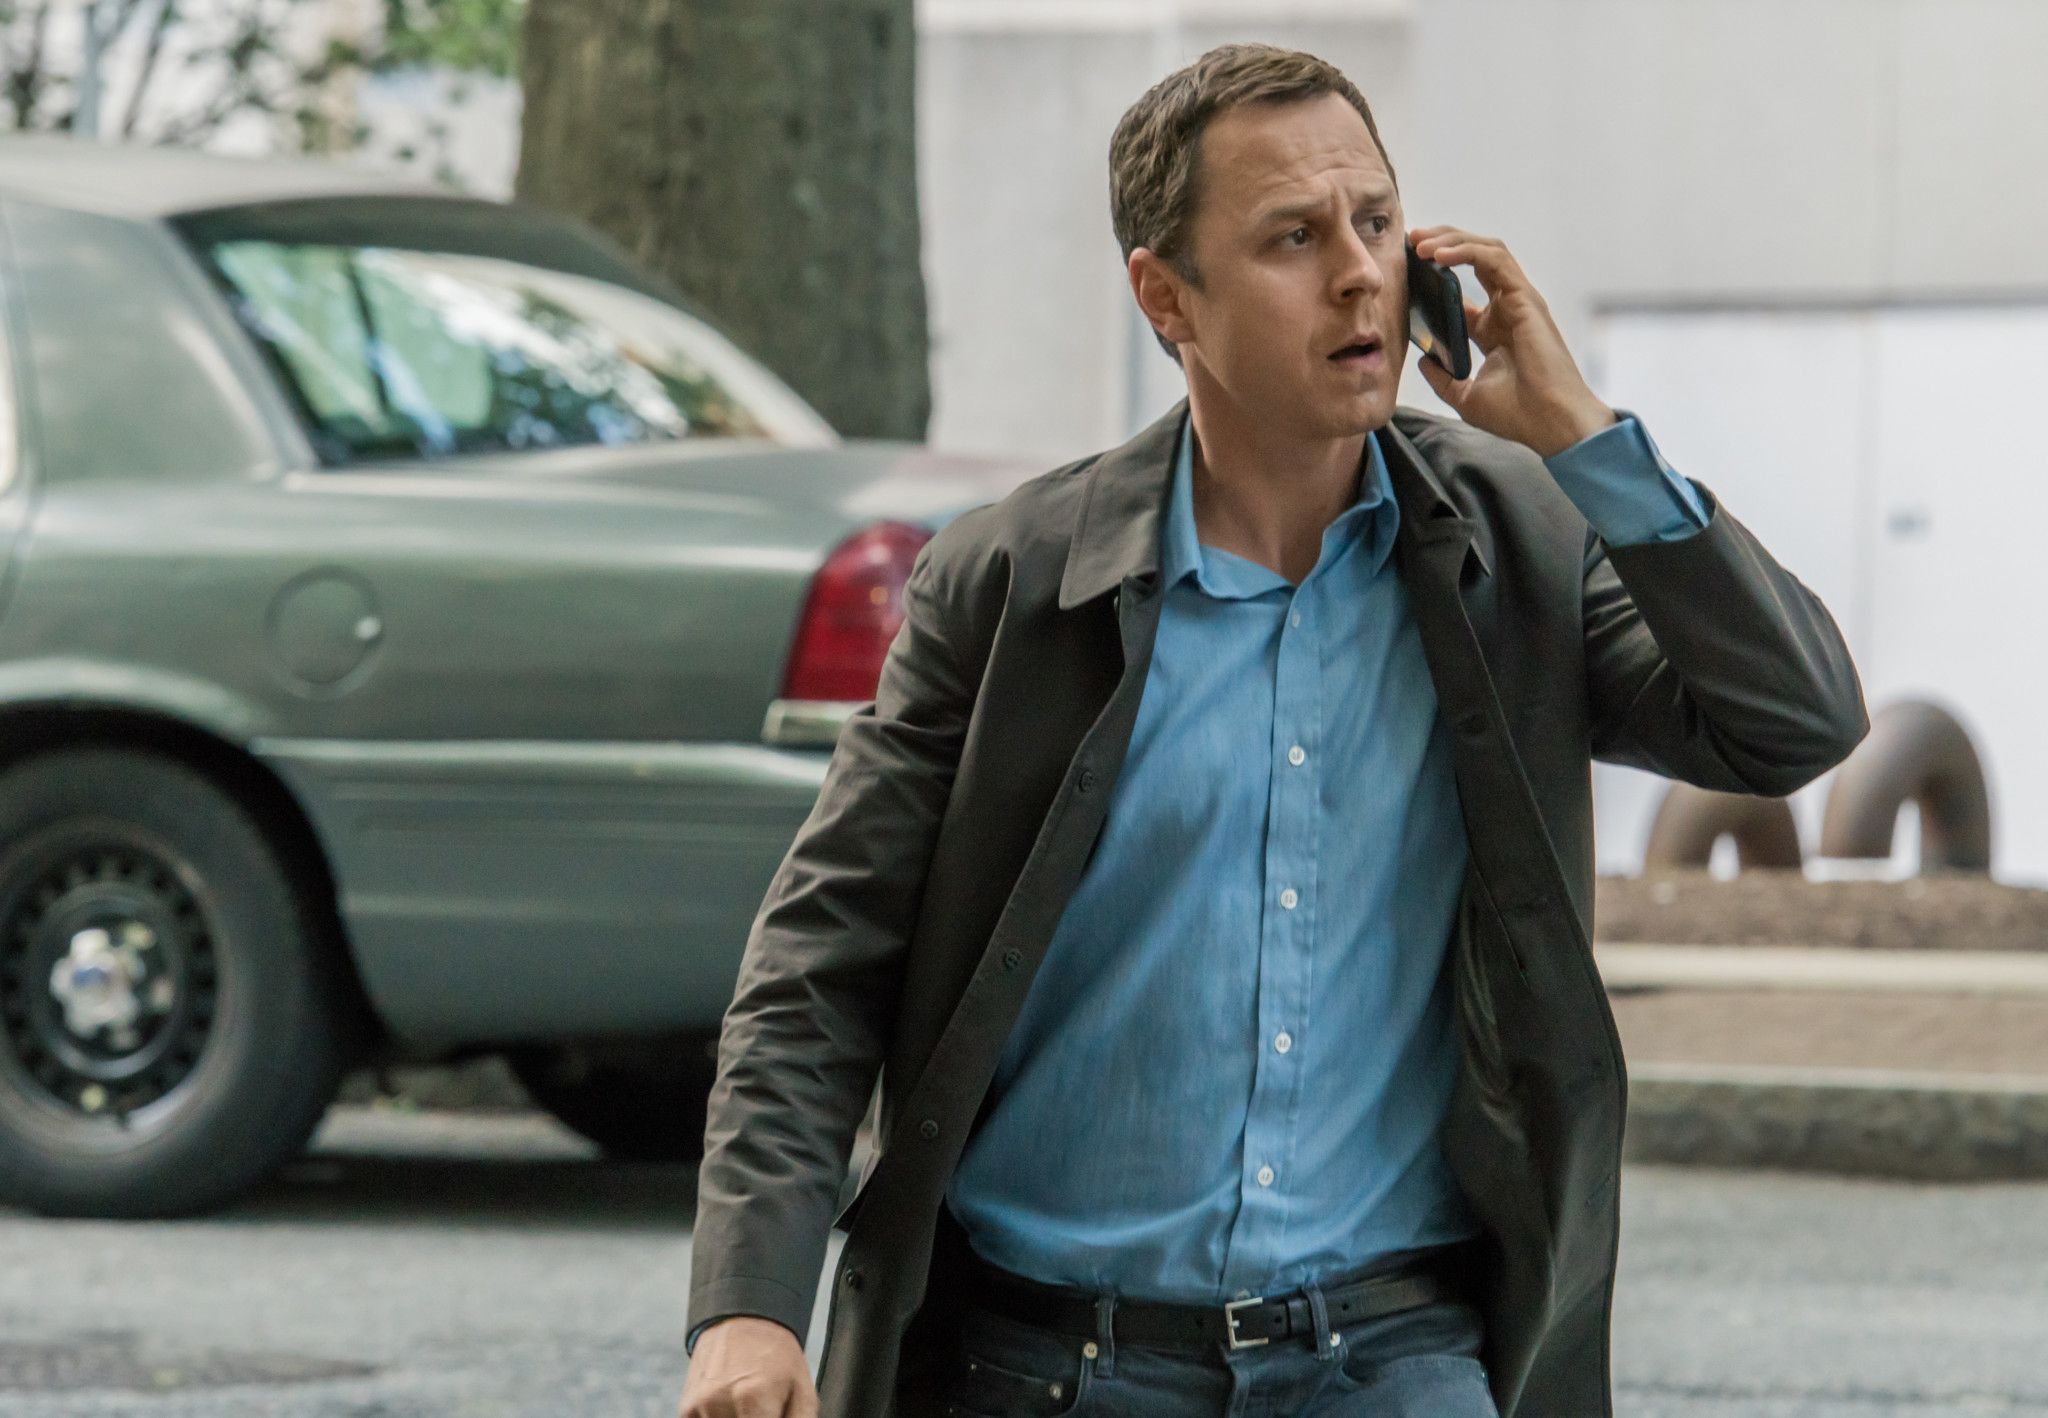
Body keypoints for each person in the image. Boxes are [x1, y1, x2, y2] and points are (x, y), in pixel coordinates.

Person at [678, 42, 1864, 1418]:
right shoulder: (1013, 584)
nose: (1359, 274)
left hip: (1395, 1355)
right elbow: (819, 963)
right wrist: (749, 1309)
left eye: (1376, 221)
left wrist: (1586, 440)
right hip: (1050, 1367)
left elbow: (1793, 723)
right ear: (1165, 296)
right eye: (1293, 238)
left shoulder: (1522, 542)